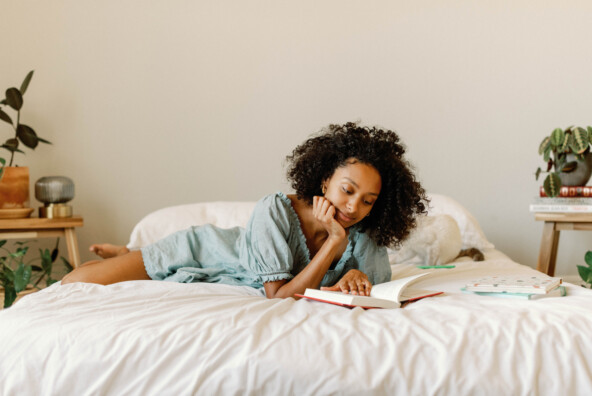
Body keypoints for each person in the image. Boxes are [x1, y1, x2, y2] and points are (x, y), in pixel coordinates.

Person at [62, 122, 428, 299]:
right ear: (323, 181)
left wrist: (356, 277)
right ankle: (129, 253)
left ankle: (128, 253)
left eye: (368, 199)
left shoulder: (365, 232)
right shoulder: (275, 210)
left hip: (237, 266)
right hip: (207, 250)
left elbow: (375, 285)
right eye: (348, 190)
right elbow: (279, 297)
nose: (354, 207)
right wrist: (333, 243)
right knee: (75, 282)